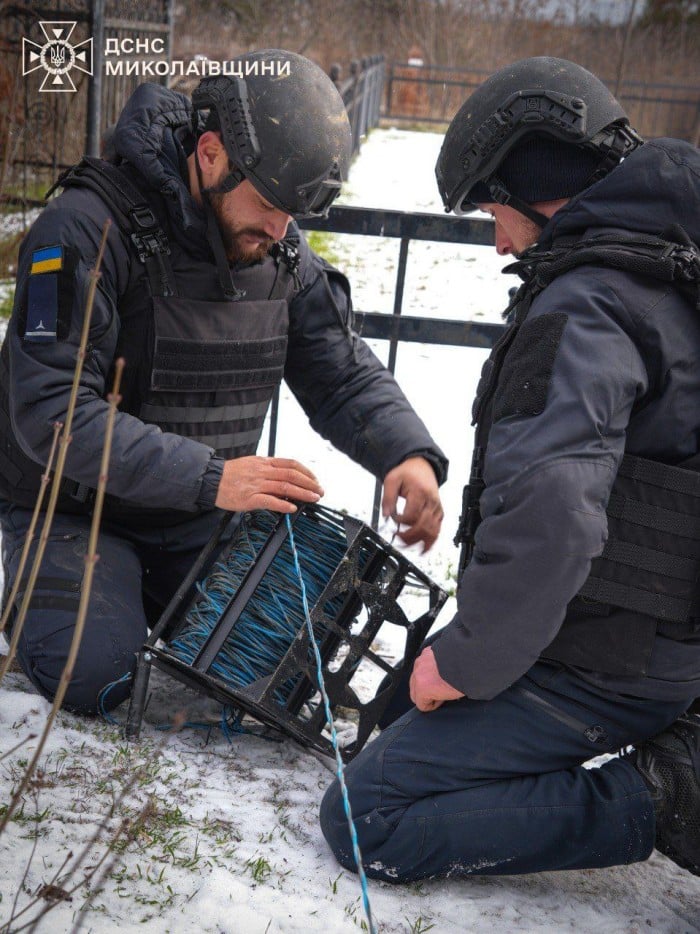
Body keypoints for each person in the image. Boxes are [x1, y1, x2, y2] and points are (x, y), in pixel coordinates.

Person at [321, 57, 700, 881]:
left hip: (607, 664)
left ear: (539, 178)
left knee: (365, 814)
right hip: (660, 646)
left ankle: (661, 794)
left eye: (495, 207)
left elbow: (553, 516)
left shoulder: (587, 302)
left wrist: (463, 663)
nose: (496, 238)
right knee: (392, 722)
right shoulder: (667, 272)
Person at [0, 49, 446, 715]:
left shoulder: (277, 246)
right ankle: (48, 601)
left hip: (201, 518)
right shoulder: (84, 231)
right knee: (98, 676)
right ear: (210, 154)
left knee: (289, 673)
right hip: (74, 515)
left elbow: (338, 365)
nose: (280, 230)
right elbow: (49, 413)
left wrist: (405, 453)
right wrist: (214, 478)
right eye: (267, 204)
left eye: (292, 214)